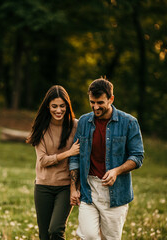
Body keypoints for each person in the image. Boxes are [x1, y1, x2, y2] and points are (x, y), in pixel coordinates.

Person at [69, 77, 144, 239]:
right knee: (88, 235)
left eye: (100, 102)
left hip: (116, 193)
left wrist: (116, 171)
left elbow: (137, 157)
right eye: (92, 102)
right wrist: (74, 187)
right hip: (88, 190)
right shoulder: (83, 122)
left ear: (111, 99)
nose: (95, 107)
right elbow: (75, 157)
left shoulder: (129, 123)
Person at [27, 85, 80, 240]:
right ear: (48, 107)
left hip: (64, 187)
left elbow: (77, 160)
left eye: (62, 106)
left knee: (56, 230)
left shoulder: (76, 126)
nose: (58, 110)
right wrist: (67, 153)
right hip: (43, 187)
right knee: (44, 235)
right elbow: (43, 161)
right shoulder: (41, 128)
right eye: (54, 106)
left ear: (67, 106)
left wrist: (74, 187)